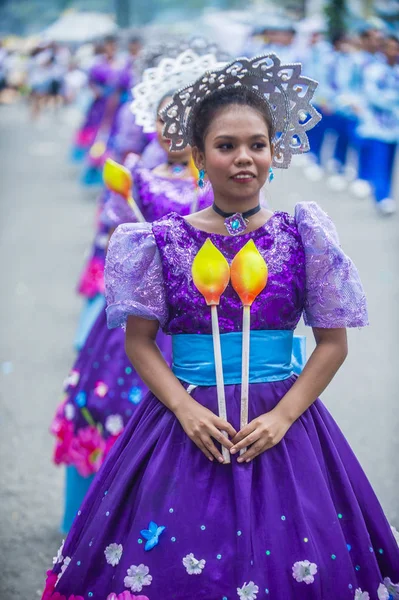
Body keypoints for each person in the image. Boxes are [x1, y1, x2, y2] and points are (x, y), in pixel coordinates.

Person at [42, 54, 399, 599]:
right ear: (200, 158)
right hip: (184, 425)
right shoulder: (160, 240)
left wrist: (282, 417)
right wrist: (184, 408)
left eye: (256, 144)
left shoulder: (303, 236)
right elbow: (138, 343)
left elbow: (332, 344)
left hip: (284, 426)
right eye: (226, 146)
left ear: (274, 152)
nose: (244, 159)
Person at [50, 49, 218, 534]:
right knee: (110, 409)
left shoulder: (219, 188)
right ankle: (101, 521)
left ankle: (169, 523)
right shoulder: (137, 181)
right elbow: (117, 243)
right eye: (164, 119)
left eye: (183, 120)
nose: (171, 130)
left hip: (197, 323)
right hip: (142, 319)